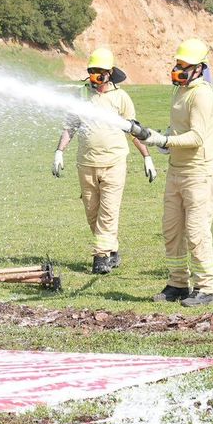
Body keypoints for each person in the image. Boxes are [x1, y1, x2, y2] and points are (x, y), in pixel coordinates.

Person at [127, 39, 213, 307]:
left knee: (196, 231)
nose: (178, 70)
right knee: (172, 229)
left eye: (185, 66)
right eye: (177, 64)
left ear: (199, 68)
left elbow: (197, 137)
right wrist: (163, 137)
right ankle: (178, 283)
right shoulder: (180, 91)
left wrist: (163, 141)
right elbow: (177, 129)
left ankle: (205, 288)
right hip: (176, 171)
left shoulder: (201, 94)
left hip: (198, 173)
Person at [53, 48, 156, 275]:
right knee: (93, 213)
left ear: (110, 73)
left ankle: (100, 258)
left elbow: (133, 130)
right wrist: (59, 151)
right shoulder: (80, 95)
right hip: (86, 164)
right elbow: (70, 127)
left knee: (108, 212)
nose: (95, 76)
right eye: (92, 71)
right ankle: (112, 250)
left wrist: (147, 157)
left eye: (100, 72)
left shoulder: (121, 98)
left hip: (114, 163)